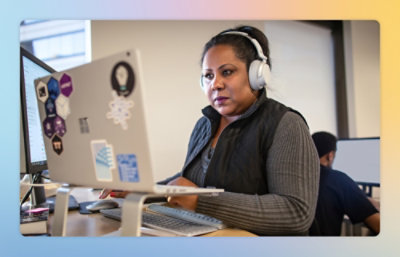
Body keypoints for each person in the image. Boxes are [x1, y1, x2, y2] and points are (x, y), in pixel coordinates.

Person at [101, 25, 320, 236]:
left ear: (257, 74)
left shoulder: (286, 124)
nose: (215, 84)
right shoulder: (205, 124)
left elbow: (296, 212)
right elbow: (190, 179)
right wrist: (144, 189)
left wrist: (200, 201)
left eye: (227, 72)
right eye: (208, 76)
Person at [309, 131, 380, 236]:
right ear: (330, 155)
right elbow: (378, 225)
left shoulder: (297, 177)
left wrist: (364, 199)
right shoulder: (338, 179)